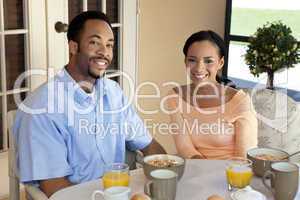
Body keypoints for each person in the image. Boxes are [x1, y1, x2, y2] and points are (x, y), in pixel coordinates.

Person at [13, 11, 166, 197]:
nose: (104, 52)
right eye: (94, 42)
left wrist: (167, 176)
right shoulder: (42, 108)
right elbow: (55, 187)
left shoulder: (114, 93)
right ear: (73, 47)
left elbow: (150, 146)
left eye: (109, 45)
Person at [166, 30, 257, 160]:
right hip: (195, 170)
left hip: (233, 174)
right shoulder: (174, 97)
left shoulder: (240, 101)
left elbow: (245, 156)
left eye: (208, 61)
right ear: (185, 62)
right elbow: (184, 148)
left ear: (220, 63)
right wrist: (204, 174)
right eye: (192, 60)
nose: (199, 68)